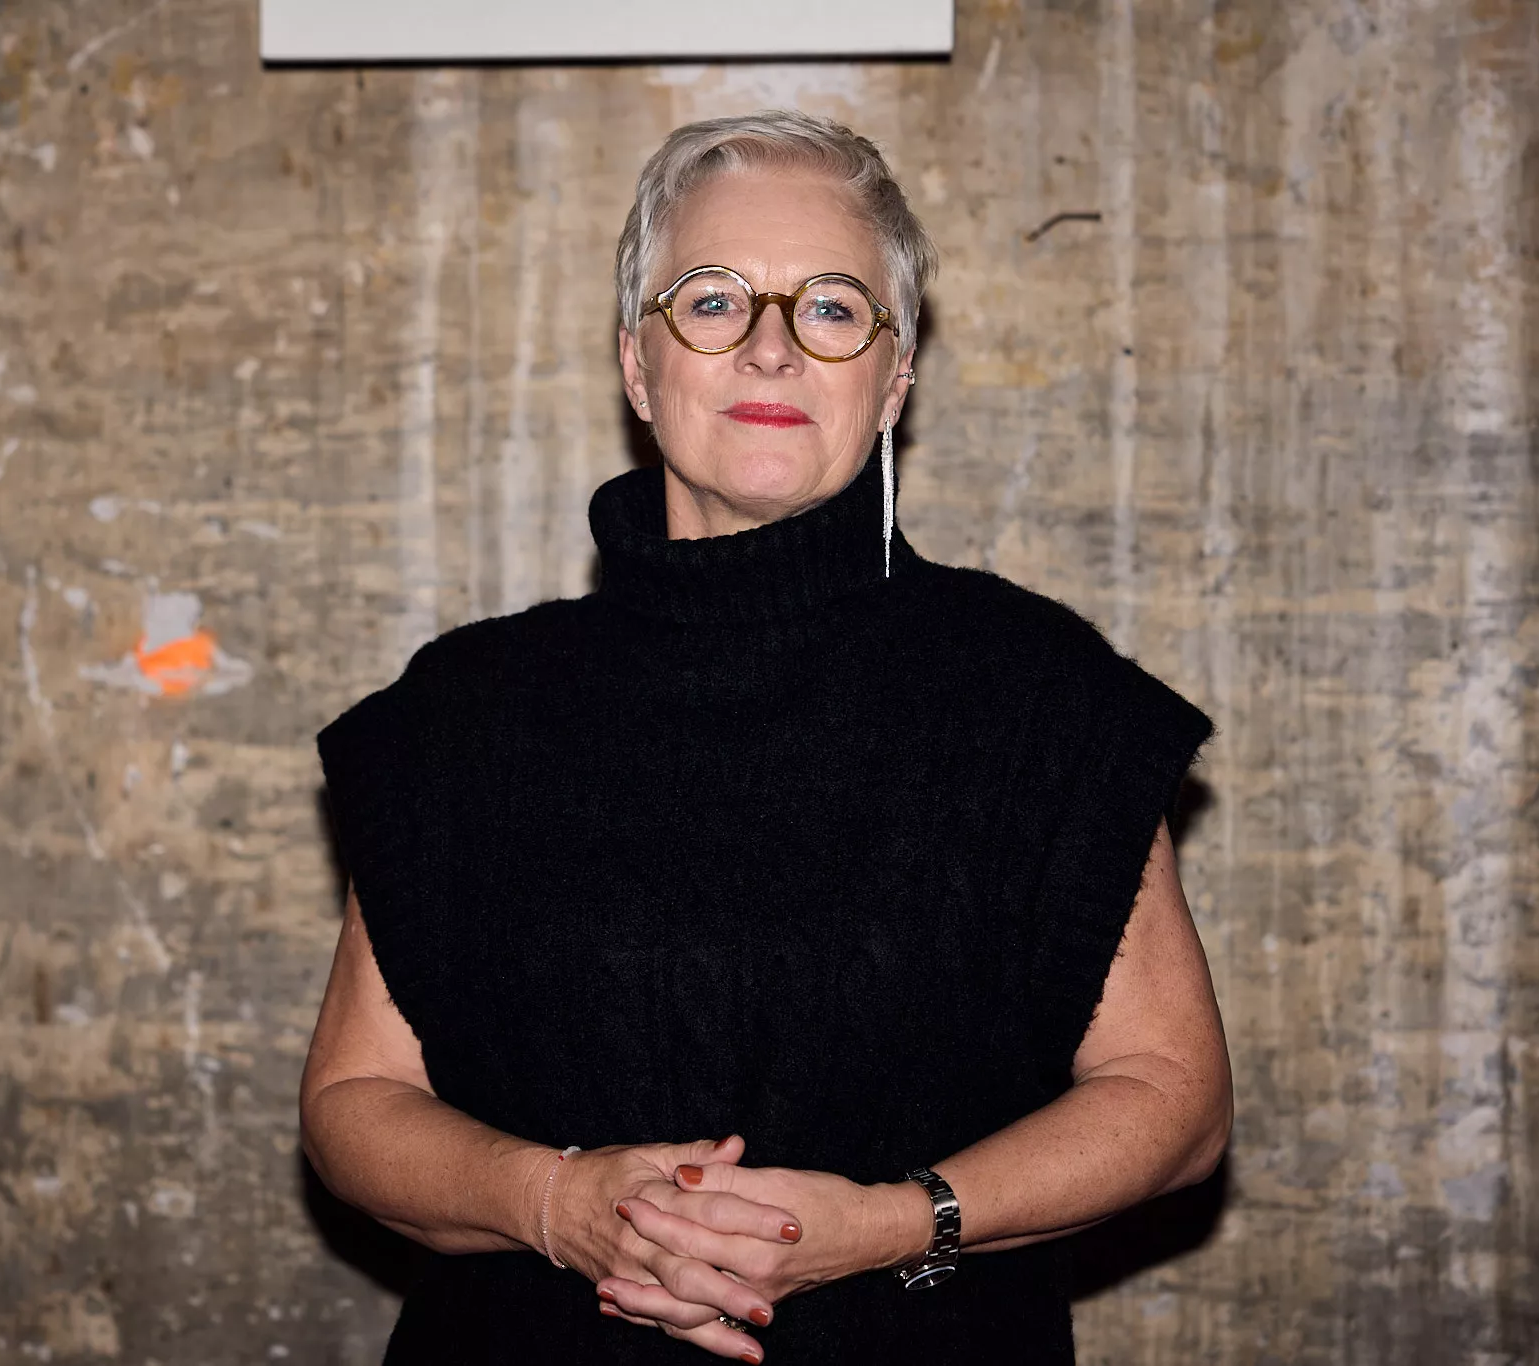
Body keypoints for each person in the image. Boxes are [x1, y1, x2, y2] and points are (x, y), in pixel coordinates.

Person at [302, 109, 1231, 1365]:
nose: (772, 348)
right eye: (712, 301)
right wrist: (558, 1204)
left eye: (832, 309)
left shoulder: (1037, 699)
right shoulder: (462, 711)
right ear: (637, 366)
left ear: (893, 378)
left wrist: (891, 1223)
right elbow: (354, 1102)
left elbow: (1172, 1097)